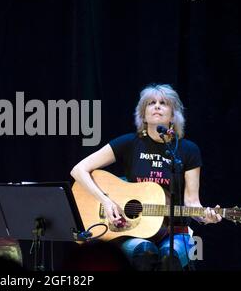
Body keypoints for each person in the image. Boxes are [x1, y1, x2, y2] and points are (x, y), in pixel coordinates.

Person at [70, 84, 222, 271]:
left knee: (169, 258)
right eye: (151, 103)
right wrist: (106, 201)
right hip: (134, 231)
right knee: (144, 254)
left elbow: (192, 203)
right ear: (143, 114)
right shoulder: (129, 143)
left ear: (173, 115)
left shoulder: (188, 150)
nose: (157, 106)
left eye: (163, 103)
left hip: (174, 232)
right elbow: (78, 170)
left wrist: (206, 217)